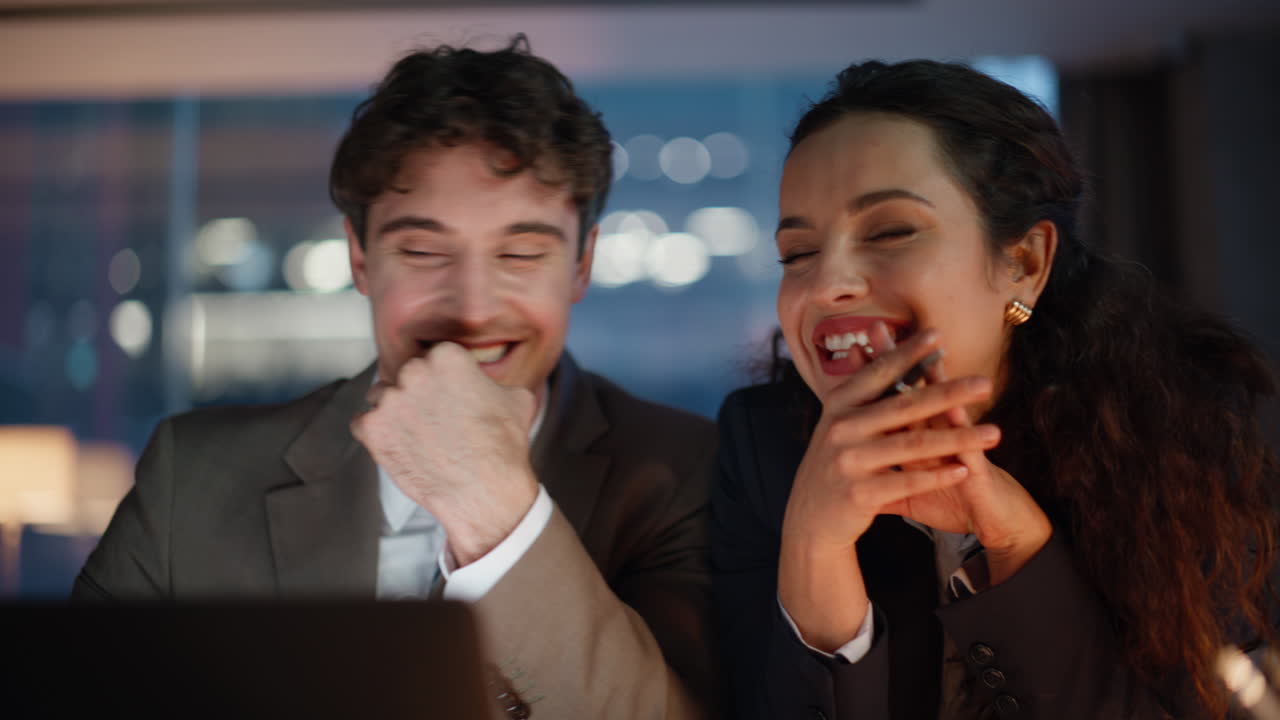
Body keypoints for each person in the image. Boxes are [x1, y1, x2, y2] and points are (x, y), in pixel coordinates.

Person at [75, 36, 717, 719]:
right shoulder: (191, 479)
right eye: (422, 250)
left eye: (522, 253)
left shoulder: (684, 473)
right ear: (359, 257)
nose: (472, 309)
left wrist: (496, 510)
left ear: (582, 265)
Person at [711, 59, 1279, 719]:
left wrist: (1019, 549)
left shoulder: (1178, 434)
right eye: (798, 253)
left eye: (890, 232)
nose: (827, 284)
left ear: (1024, 262)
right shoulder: (762, 446)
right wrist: (814, 547)